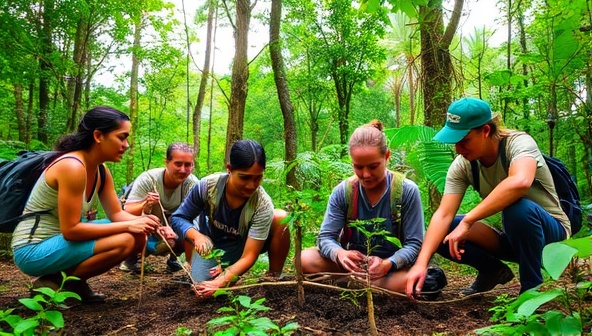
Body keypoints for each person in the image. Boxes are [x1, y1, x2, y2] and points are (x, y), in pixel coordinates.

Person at [405, 97, 570, 299]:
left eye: (464, 141)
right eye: (455, 142)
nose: (458, 149)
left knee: (518, 209)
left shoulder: (518, 143)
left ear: (485, 131)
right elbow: (443, 214)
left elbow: (520, 182)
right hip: (510, 235)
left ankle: (530, 291)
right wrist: (421, 263)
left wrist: (468, 220)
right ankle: (492, 271)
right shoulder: (463, 164)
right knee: (444, 231)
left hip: (550, 235)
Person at [11, 106, 160, 303]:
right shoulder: (72, 166)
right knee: (126, 239)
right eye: (121, 137)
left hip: (60, 243)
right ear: (98, 135)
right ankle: (57, 282)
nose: (126, 145)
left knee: (138, 236)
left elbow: (117, 214)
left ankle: (72, 281)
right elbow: (71, 231)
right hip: (32, 249)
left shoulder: (101, 171)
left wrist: (148, 223)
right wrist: (130, 225)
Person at [300, 120, 426, 294]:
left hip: (392, 268)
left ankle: (352, 285)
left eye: (373, 166)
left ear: (387, 157)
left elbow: (415, 244)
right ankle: (365, 286)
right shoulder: (343, 192)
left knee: (424, 281)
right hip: (353, 266)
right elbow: (325, 238)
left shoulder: (406, 191)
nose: (366, 175)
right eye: (358, 167)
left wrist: (388, 263)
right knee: (305, 259)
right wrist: (340, 254)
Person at [170, 139, 290, 297]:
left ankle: (274, 279)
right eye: (244, 177)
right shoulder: (207, 187)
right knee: (203, 290)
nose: (251, 185)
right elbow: (178, 218)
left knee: (281, 217)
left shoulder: (262, 204)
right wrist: (196, 236)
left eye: (257, 178)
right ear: (229, 169)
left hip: (245, 245)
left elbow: (250, 255)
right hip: (213, 246)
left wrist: (221, 280)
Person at [120, 142, 199, 273]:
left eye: (188, 165)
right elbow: (127, 211)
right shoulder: (149, 179)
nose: (183, 170)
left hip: (175, 228)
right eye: (178, 164)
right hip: (148, 226)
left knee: (193, 230)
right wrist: (145, 204)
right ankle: (131, 257)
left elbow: (194, 219)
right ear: (166, 162)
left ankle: (179, 261)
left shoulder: (192, 185)